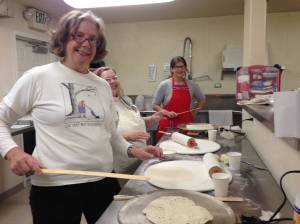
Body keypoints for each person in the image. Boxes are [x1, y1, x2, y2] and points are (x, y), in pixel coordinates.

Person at [0, 10, 163, 224]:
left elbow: (110, 132)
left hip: (104, 181)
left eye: (93, 38)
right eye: (78, 35)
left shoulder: (102, 86)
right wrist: (13, 152)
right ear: (64, 38)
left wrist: (134, 150)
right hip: (55, 187)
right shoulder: (37, 77)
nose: (86, 43)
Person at [95, 67, 165, 175]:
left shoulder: (125, 100)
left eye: (114, 78)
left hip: (140, 156)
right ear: (99, 83)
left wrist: (152, 118)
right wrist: (127, 136)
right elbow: (99, 135)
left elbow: (133, 121)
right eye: (108, 80)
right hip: (122, 162)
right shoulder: (99, 105)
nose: (113, 81)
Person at [152, 56, 205, 141]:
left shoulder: (192, 85)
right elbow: (155, 105)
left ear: (185, 68)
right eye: (177, 67)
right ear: (172, 69)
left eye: (182, 67)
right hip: (168, 126)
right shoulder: (164, 84)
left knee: (187, 149)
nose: (180, 69)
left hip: (186, 126)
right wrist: (166, 112)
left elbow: (202, 99)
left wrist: (194, 112)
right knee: (167, 151)